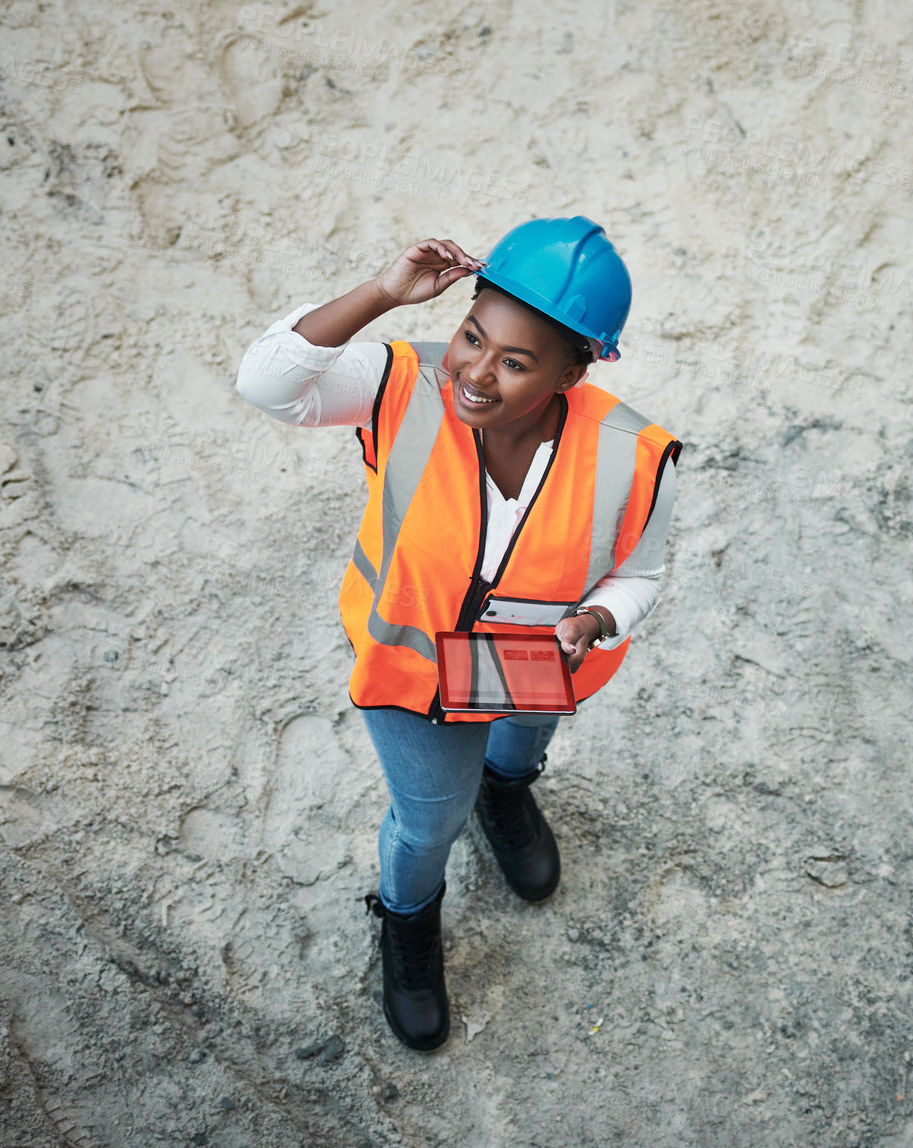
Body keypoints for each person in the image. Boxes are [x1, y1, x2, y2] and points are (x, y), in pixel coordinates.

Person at [234, 217, 681, 1053]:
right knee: (426, 824)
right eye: (473, 336)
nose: (476, 372)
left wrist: (595, 619)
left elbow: (641, 575)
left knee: (514, 749)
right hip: (414, 679)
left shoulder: (629, 453)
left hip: (533, 669)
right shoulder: (404, 386)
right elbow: (267, 385)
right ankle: (408, 921)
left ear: (572, 373)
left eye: (515, 362)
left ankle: (506, 794)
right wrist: (379, 294)